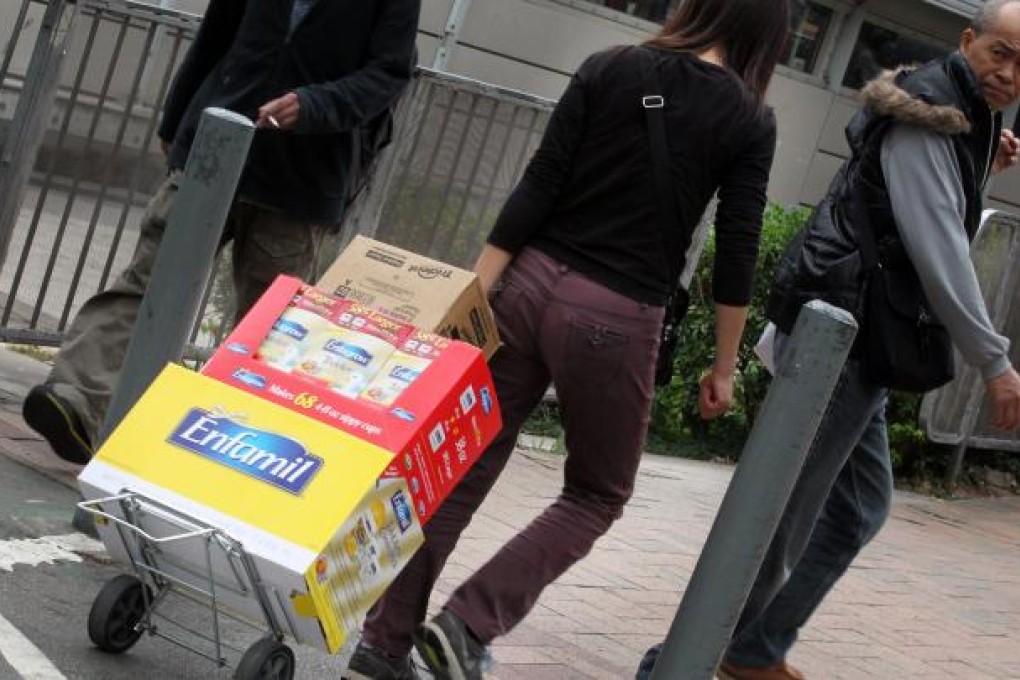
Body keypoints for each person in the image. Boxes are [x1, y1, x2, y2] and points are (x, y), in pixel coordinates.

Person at [343, 0, 790, 678]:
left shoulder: (609, 66)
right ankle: (467, 624)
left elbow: (539, 182)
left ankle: (382, 644)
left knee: (462, 464)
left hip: (526, 286)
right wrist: (725, 364)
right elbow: (738, 245)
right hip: (615, 316)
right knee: (597, 493)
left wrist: (475, 292)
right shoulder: (749, 119)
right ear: (770, 34)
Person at [637, 2, 1020, 679]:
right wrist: (994, 360)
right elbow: (937, 248)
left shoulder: (960, 115)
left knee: (857, 510)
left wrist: (984, 156)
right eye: (1001, 52)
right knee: (778, 517)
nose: (1010, 73)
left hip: (864, 335)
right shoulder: (931, 114)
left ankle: (752, 650)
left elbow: (901, 207)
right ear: (968, 40)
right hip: (843, 331)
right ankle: (679, 662)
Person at [21, 0, 421, 464]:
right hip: (212, 148)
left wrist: (314, 105)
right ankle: (80, 401)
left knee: (269, 331)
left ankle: (231, 457)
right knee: (148, 282)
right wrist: (177, 120)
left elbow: (389, 75)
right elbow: (215, 37)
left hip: (301, 180)